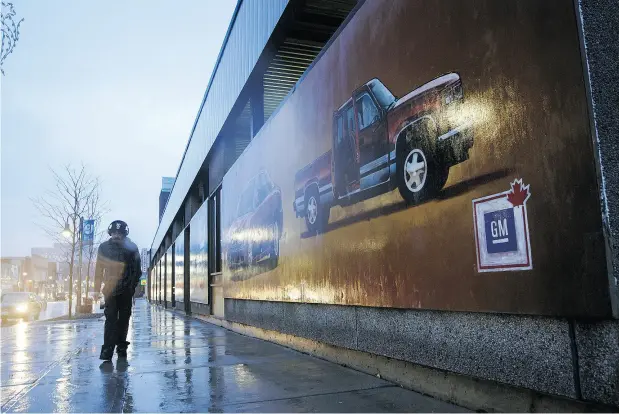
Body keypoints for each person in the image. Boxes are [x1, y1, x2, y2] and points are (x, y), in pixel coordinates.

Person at [94, 220, 141, 361]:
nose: (116, 235)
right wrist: (96, 289)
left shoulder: (132, 247)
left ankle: (121, 347)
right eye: (114, 232)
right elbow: (98, 270)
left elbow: (137, 270)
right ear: (110, 233)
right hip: (109, 289)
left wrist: (132, 287)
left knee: (124, 319)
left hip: (126, 289)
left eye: (119, 233)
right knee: (111, 319)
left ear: (124, 233)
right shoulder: (103, 248)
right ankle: (107, 349)